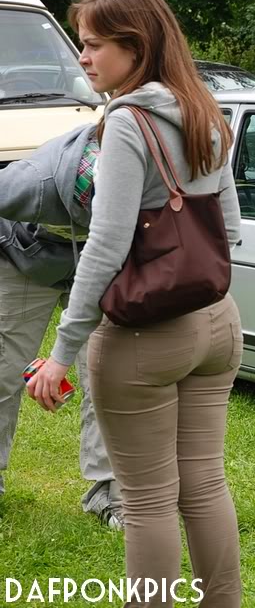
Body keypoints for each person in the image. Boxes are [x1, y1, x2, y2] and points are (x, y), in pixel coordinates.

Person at [26, 0, 243, 606]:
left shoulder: (127, 123)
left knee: (146, 500)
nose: (83, 58)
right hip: (218, 324)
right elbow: (229, 231)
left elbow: (106, 245)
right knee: (204, 483)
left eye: (94, 45)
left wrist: (63, 350)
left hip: (146, 338)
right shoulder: (206, 109)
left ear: (135, 45)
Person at [0, 126, 124, 529]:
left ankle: (107, 493)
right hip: (23, 261)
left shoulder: (137, 170)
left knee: (106, 375)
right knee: (3, 373)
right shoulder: (31, 180)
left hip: (96, 266)